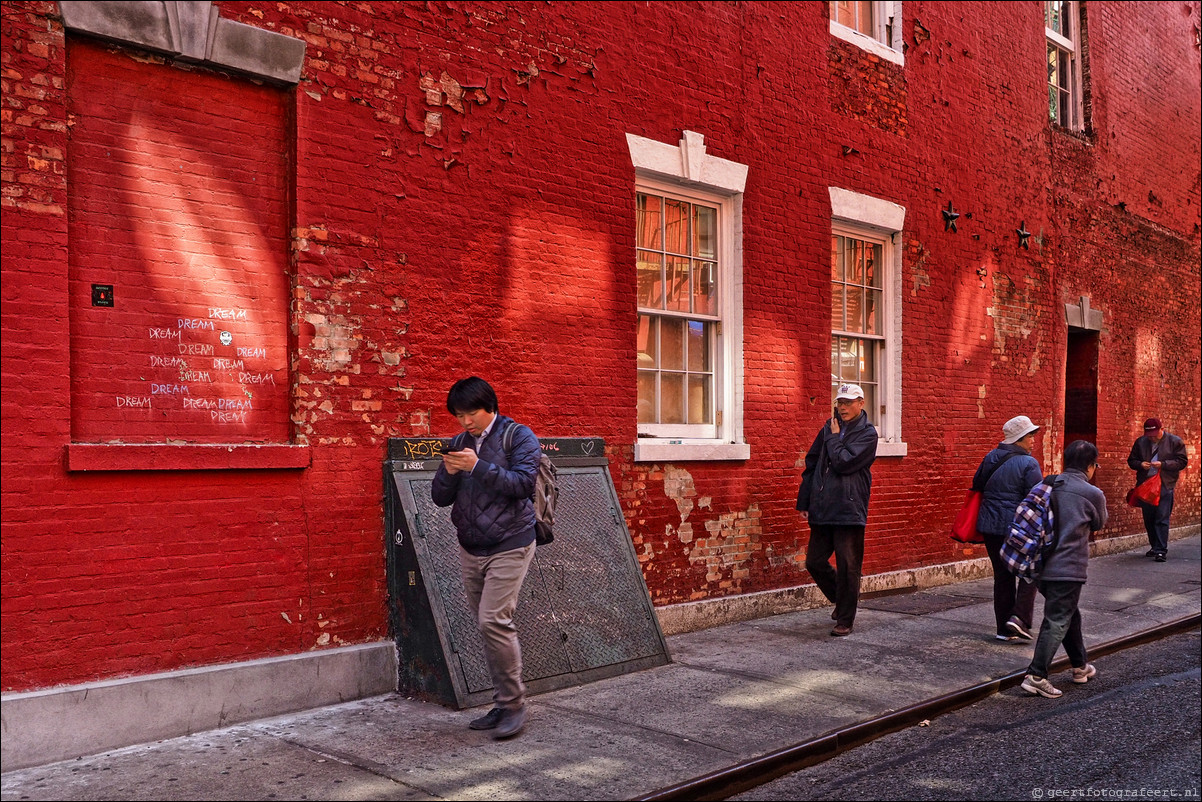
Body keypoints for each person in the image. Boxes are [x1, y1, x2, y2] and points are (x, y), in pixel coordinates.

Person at [431, 377, 541, 739]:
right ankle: (502, 701)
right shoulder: (459, 443)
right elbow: (439, 498)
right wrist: (448, 473)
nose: (465, 422)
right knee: (486, 625)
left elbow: (524, 484)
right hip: (471, 546)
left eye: (471, 413)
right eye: (459, 416)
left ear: (489, 406)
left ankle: (513, 705)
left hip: (511, 542)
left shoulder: (518, 436)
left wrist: (477, 466)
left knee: (494, 620)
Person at [1020, 440, 1108, 699]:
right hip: (1068, 567)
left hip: (1040, 565)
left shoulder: (1046, 484)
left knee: (1069, 614)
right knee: (1057, 619)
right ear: (1091, 466)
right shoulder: (1092, 493)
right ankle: (1036, 676)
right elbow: (1099, 524)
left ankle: (1080, 667)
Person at [797, 383, 878, 637]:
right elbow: (812, 464)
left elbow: (844, 462)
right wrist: (805, 501)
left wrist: (832, 438)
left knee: (848, 565)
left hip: (848, 509)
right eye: (839, 403)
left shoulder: (868, 434)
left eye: (848, 402)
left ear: (861, 403)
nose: (842, 407)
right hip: (822, 506)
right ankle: (843, 599)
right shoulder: (828, 427)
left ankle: (845, 618)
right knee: (814, 562)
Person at [973, 415, 1043, 642]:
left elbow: (977, 485)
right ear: (1019, 438)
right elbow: (1036, 498)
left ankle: (1003, 630)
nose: (1033, 440)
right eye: (1030, 435)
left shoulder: (990, 457)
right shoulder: (1029, 463)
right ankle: (1019, 619)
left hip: (989, 527)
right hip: (1016, 528)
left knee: (1002, 577)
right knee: (1031, 570)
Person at [1127, 417, 1188, 562]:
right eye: (1150, 435)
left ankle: (1161, 550)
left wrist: (1164, 464)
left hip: (1165, 484)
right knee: (1149, 518)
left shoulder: (1175, 441)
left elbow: (1182, 461)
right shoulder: (1141, 442)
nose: (1153, 438)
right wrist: (1141, 464)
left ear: (1162, 429)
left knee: (1162, 517)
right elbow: (1131, 461)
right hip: (1146, 486)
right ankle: (1154, 546)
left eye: (1155, 434)